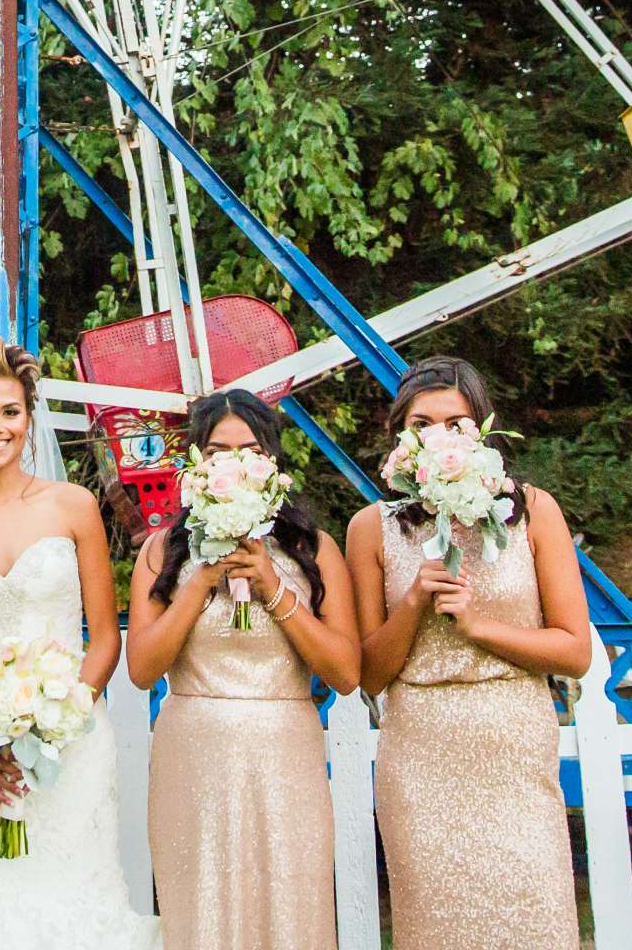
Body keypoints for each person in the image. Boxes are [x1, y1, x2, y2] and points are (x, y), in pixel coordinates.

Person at [0, 337, 159, 950]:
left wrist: (57, 725)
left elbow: (103, 641)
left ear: (29, 418)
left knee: (77, 914)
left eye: (10, 411)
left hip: (70, 755)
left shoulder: (73, 507)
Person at [344, 356, 587, 950]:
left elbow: (574, 650)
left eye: (455, 423)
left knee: (535, 918)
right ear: (401, 436)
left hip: (514, 745)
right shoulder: (371, 528)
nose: (439, 436)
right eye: (422, 423)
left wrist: (480, 628)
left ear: (482, 431)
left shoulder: (535, 510)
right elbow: (367, 673)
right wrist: (413, 603)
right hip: (421, 752)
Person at [126, 390, 359, 950]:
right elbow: (142, 668)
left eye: (249, 450)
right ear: (197, 465)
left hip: (284, 753)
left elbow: (347, 672)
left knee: (290, 909)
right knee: (199, 913)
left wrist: (272, 586)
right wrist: (201, 582)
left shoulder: (313, 549)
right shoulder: (163, 550)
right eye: (217, 451)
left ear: (271, 462)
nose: (232, 462)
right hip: (193, 752)